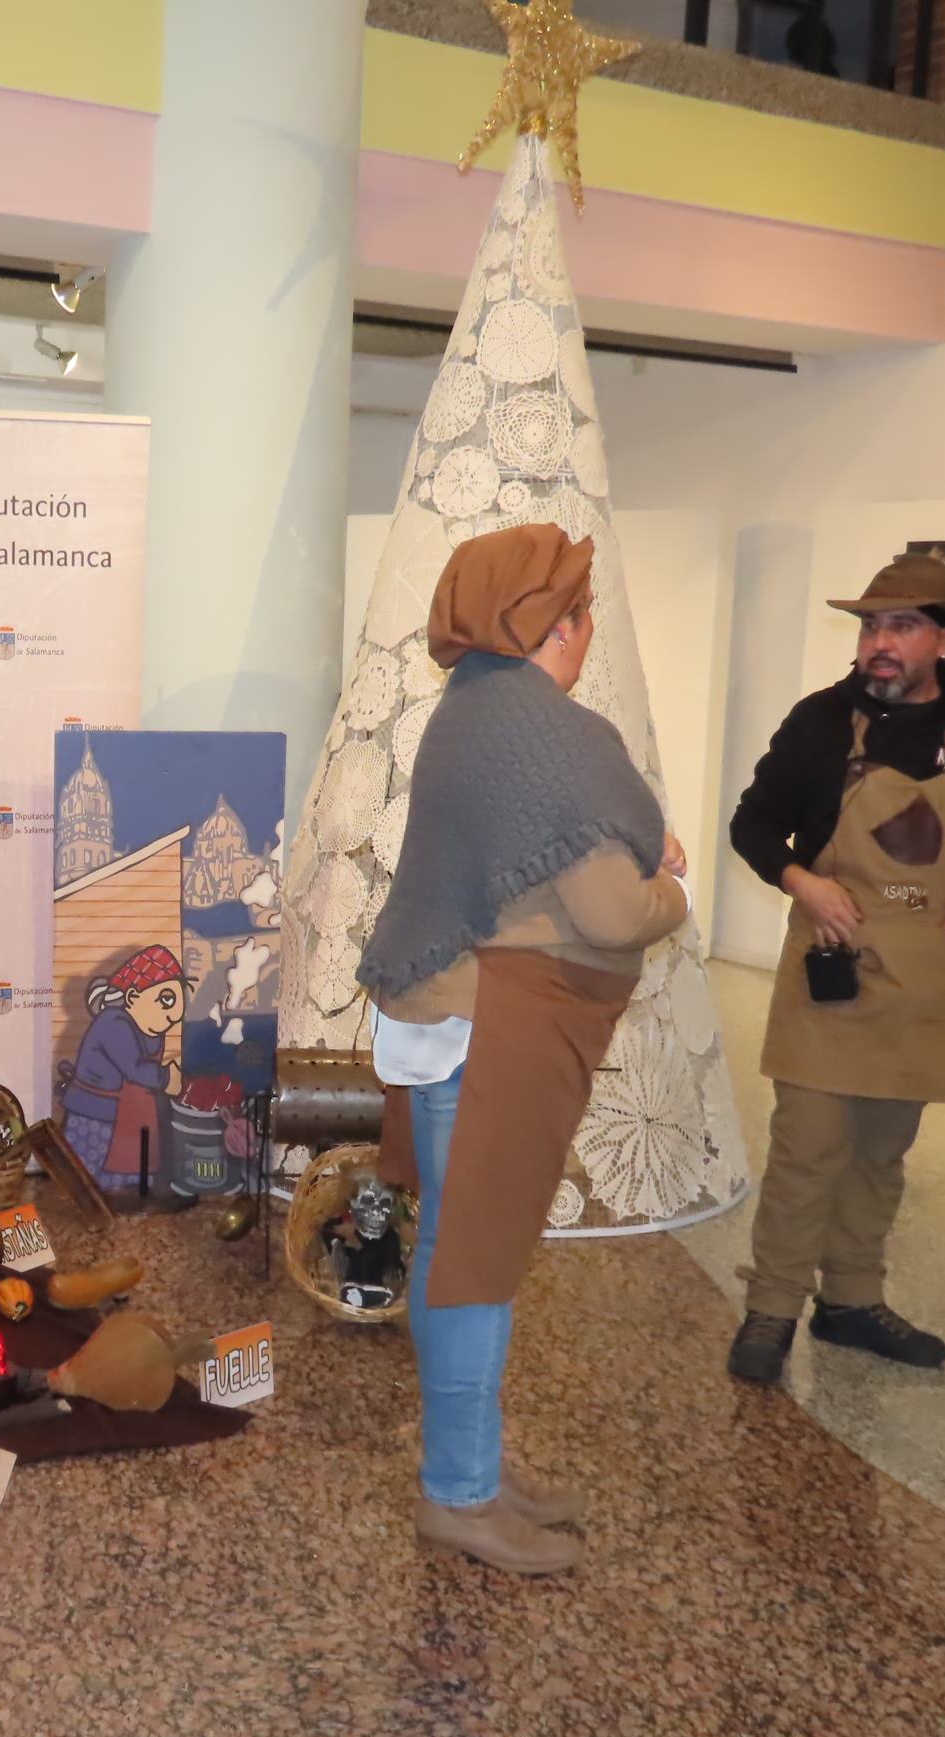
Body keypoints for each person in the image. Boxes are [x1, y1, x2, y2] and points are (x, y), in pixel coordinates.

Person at [358, 524, 692, 1577]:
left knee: (446, 1251)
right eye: (583, 611)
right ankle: (457, 1496)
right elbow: (605, 910)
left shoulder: (467, 710)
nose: (587, 632)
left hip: (442, 1019)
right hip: (493, 1027)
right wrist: (670, 889)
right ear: (555, 623)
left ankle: (474, 1469)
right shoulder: (548, 731)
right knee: (478, 1264)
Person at [725, 552, 945, 1385]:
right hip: (832, 970)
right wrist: (805, 882)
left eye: (902, 626)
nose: (880, 642)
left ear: (942, 639)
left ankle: (851, 1302)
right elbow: (754, 827)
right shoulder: (820, 723)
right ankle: (770, 1310)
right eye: (872, 625)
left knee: (880, 1153)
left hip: (926, 979)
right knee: (807, 1151)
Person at [59, 944, 189, 1190]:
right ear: (132, 997)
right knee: (85, 1173)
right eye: (167, 1000)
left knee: (127, 1175)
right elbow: (135, 1069)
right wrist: (166, 1078)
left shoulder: (151, 1030)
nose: (174, 1014)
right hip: (95, 1112)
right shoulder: (113, 1022)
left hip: (128, 1115)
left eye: (179, 999)